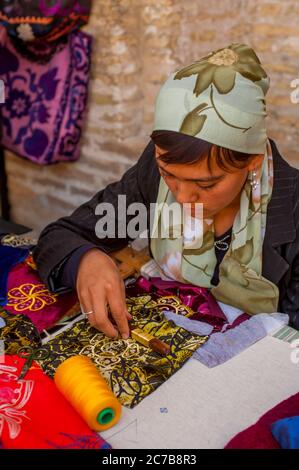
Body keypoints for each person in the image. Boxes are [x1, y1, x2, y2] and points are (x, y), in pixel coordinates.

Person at [34, 43, 299, 338]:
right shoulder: (153, 172)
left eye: (206, 183)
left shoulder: (292, 213)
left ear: (252, 161)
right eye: (169, 174)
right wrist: (85, 260)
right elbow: (62, 236)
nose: (183, 197)